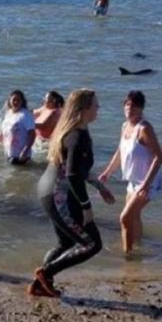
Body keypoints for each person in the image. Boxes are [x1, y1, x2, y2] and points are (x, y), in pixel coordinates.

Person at [30, 89, 115, 297]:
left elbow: (78, 169)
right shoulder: (77, 136)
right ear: (85, 109)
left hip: (48, 190)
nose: (98, 109)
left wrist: (100, 187)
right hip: (60, 196)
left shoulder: (73, 131)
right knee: (92, 243)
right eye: (96, 105)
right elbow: (73, 176)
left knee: (66, 243)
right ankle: (46, 272)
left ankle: (41, 285)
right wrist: (86, 208)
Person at [98, 91, 162, 254]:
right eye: (127, 104)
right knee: (134, 217)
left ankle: (128, 255)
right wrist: (108, 172)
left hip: (148, 181)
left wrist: (146, 185)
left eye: (134, 105)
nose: (130, 108)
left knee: (125, 218)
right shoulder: (125, 126)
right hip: (133, 180)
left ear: (141, 108)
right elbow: (120, 152)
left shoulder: (144, 128)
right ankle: (138, 245)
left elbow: (159, 157)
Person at [0, 90, 36, 165]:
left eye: (18, 100)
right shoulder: (9, 113)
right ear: (9, 101)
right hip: (9, 154)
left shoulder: (26, 115)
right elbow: (5, 133)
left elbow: (32, 134)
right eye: (14, 100)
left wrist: (25, 150)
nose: (16, 102)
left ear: (22, 101)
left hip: (21, 156)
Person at [31, 90, 64, 163]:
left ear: (53, 101)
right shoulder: (46, 107)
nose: (44, 99)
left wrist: (26, 124)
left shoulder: (54, 113)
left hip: (45, 145)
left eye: (46, 98)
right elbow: (34, 112)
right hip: (37, 140)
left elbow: (42, 125)